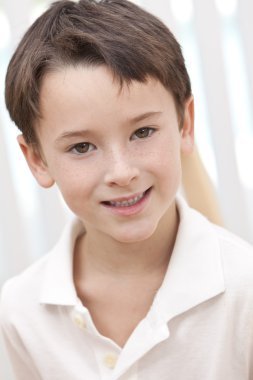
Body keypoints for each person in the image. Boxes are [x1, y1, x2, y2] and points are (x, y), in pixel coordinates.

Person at [0, 1, 253, 379]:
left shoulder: (245, 290)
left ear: (185, 125)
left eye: (142, 132)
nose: (121, 173)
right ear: (36, 159)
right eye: (81, 147)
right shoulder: (18, 315)